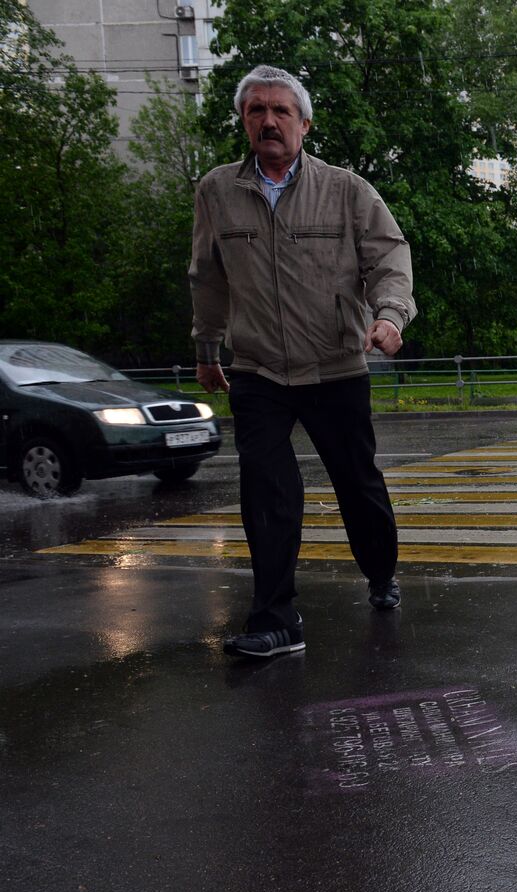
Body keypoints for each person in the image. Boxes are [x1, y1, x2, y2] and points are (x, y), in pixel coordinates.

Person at [189, 65, 416, 658]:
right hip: (258, 368)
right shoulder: (217, 190)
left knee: (357, 485)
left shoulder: (346, 190)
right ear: (243, 121)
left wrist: (390, 317)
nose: (268, 120)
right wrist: (207, 349)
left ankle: (380, 571)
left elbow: (389, 258)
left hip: (335, 365)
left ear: (304, 124)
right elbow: (207, 278)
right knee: (267, 488)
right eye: (256, 111)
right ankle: (274, 619)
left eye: (280, 111)